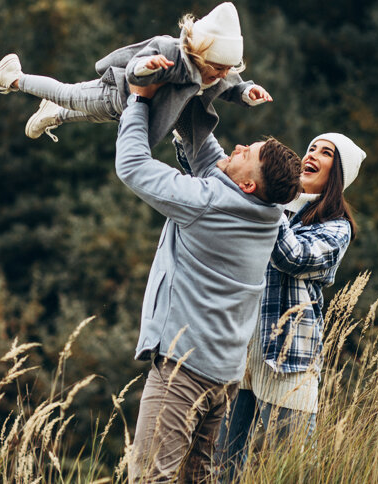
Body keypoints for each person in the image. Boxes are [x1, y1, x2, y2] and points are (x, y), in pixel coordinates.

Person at [115, 81, 302, 483]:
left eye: (245, 154)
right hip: (223, 378)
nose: (235, 148)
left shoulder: (209, 203)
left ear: (248, 184)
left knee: (151, 478)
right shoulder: (268, 216)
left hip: (183, 372)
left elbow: (131, 166)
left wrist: (140, 99)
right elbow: (205, 151)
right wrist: (200, 88)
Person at [214, 132, 367, 479]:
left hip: (288, 362)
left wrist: (273, 198)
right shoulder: (271, 206)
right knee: (221, 469)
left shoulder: (335, 226)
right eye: (312, 147)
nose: (312, 154)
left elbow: (292, 258)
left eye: (326, 153)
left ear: (338, 173)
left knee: (292, 471)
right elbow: (221, 184)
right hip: (240, 356)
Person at [0, 2, 272, 149]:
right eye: (218, 68)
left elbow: (230, 84)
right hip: (116, 93)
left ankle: (53, 114)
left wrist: (246, 92)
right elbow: (136, 66)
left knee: (92, 115)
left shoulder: (217, 74)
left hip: (132, 112)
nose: (222, 75)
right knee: (66, 94)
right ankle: (14, 77)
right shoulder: (170, 51)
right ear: (200, 54)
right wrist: (145, 68)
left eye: (228, 69)